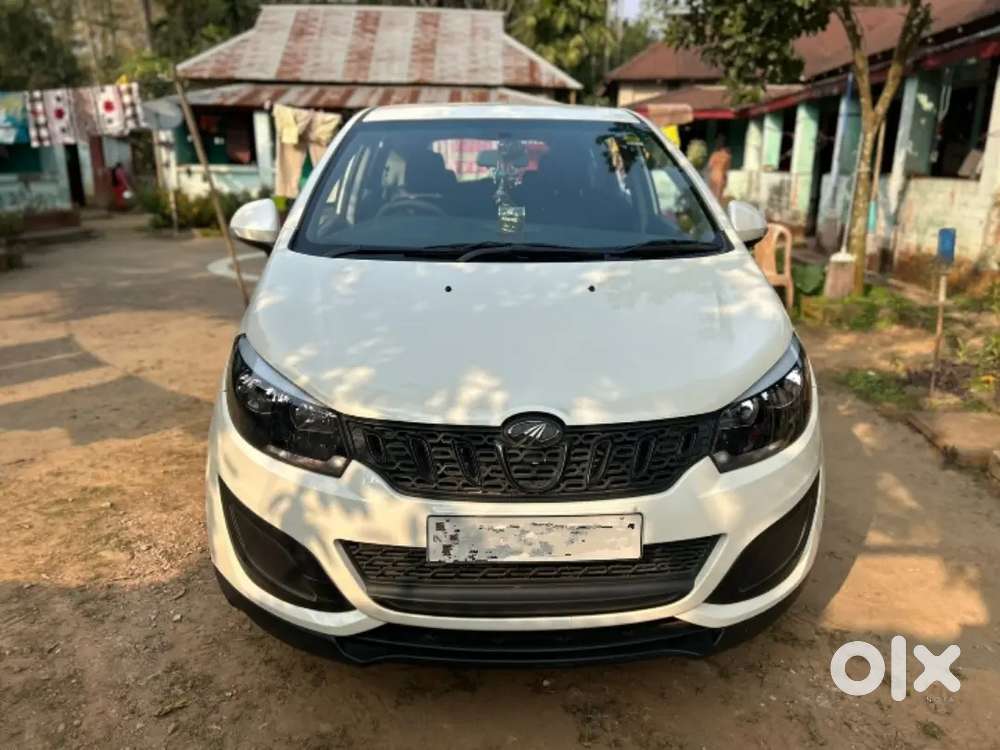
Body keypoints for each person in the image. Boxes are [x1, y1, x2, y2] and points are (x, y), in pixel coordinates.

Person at [706, 135, 731, 202]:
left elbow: (709, 166)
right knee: (718, 197)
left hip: (713, 176)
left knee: (711, 196)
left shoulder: (714, 155)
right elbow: (726, 170)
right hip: (720, 177)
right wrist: (726, 181)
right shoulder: (727, 156)